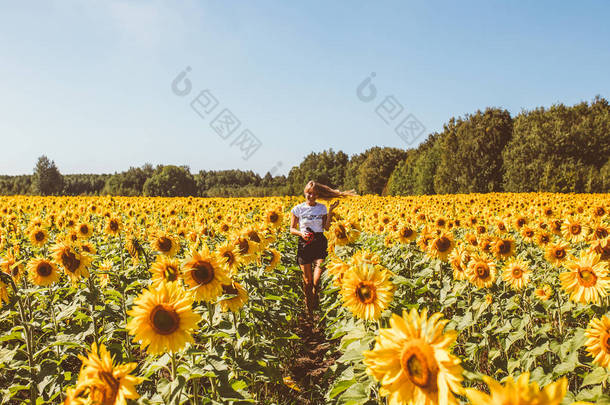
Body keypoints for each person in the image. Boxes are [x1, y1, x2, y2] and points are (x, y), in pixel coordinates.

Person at [289, 180, 356, 316]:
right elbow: (291, 229)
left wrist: (330, 211)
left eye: (314, 194)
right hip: (304, 243)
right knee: (307, 282)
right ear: (305, 193)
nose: (311, 196)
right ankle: (309, 309)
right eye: (308, 193)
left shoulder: (322, 208)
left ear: (318, 195)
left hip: (319, 243)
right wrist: (301, 233)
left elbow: (326, 227)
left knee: (317, 279)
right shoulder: (298, 209)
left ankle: (314, 299)